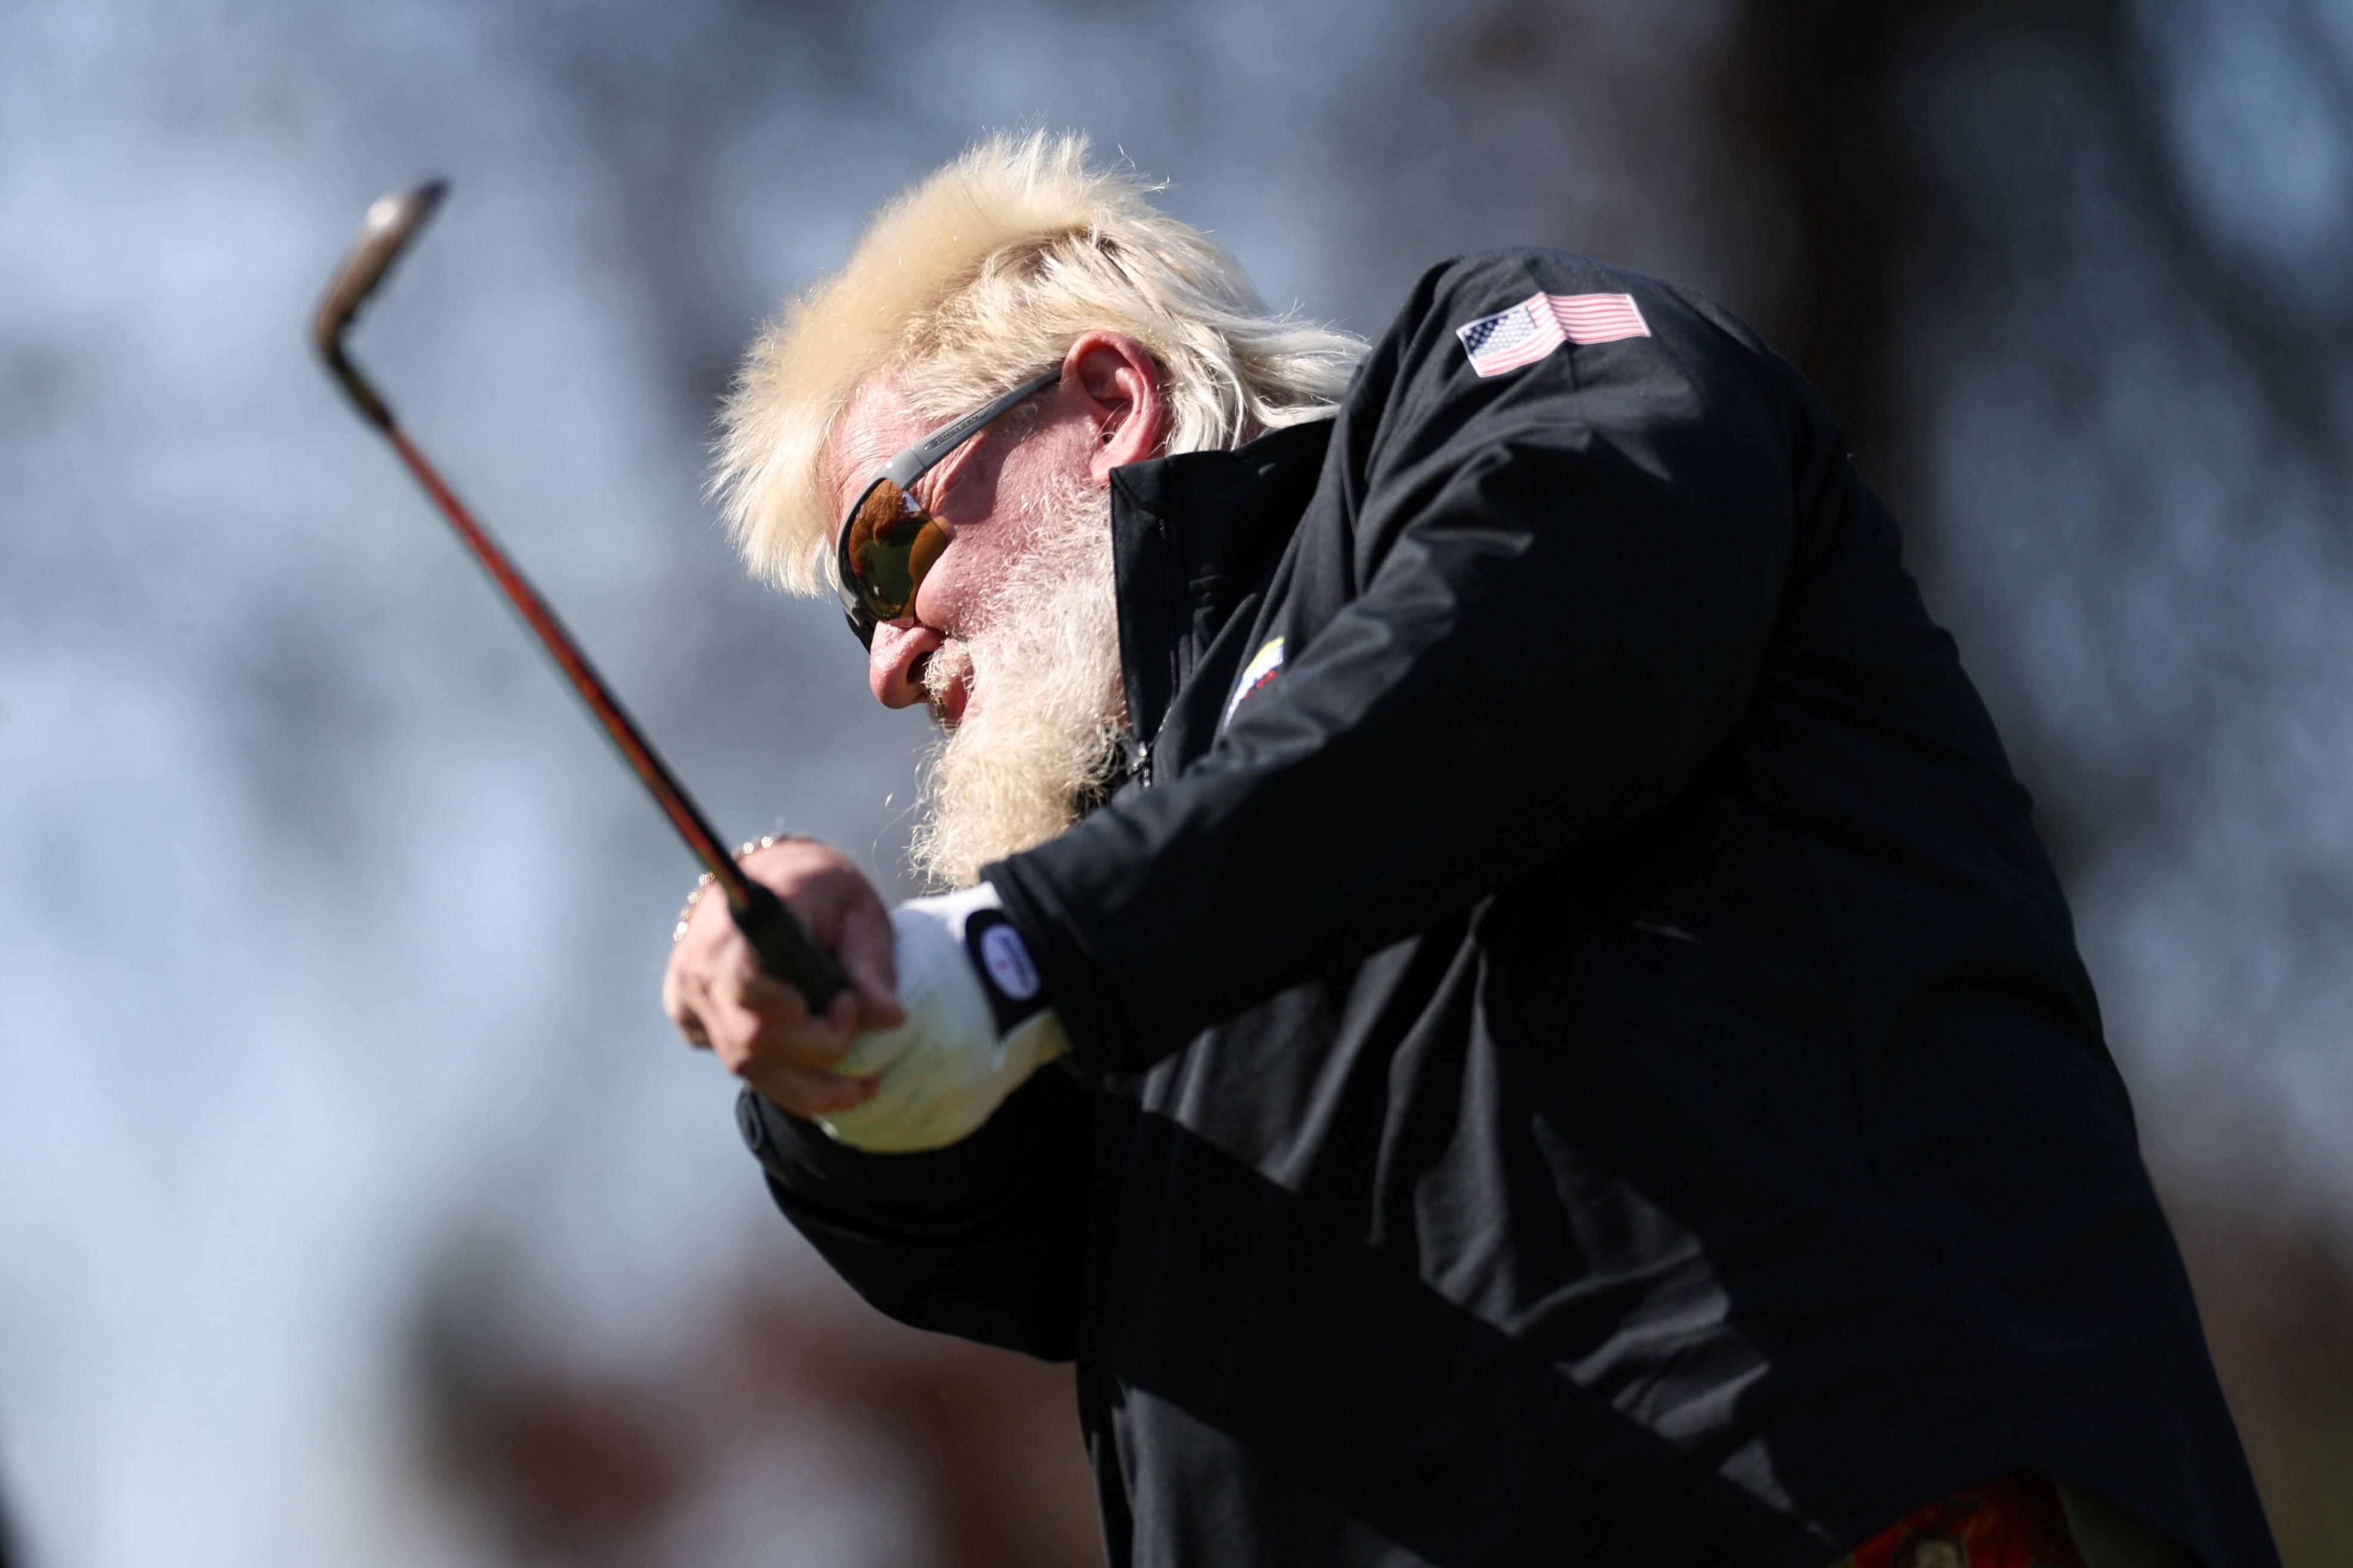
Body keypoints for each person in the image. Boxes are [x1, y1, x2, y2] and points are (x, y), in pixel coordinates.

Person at [662, 132, 2278, 1567]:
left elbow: (1535, 629)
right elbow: (1008, 1219)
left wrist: (1024, 947)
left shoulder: (1493, 381)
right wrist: (837, 1042)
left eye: (891, 539)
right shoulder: (1159, 903)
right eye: (854, 614)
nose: (888, 655)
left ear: (1106, 399)